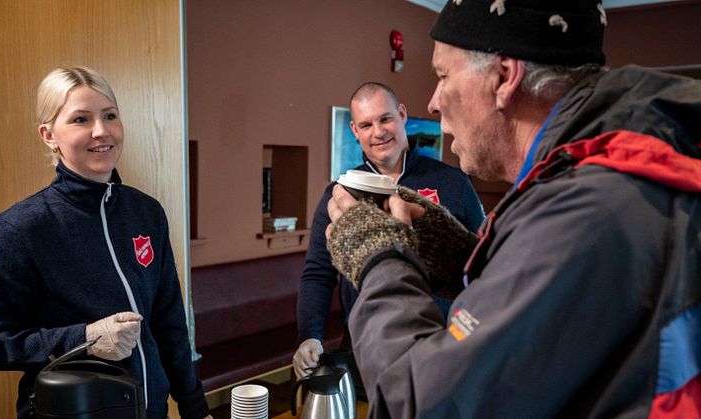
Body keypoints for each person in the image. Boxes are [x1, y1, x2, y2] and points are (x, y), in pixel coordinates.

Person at [324, 1, 701, 418]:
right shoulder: (616, 167)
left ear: (503, 77)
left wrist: (380, 259)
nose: (432, 103)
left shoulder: (585, 208)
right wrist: (454, 255)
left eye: (443, 75)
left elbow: (422, 404)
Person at [0, 67, 210, 419]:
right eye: (80, 119)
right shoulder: (21, 228)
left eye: (110, 115)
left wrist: (195, 407)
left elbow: (168, 322)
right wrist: (85, 338)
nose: (101, 131)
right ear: (49, 135)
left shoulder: (147, 213)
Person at [293, 82, 484, 380]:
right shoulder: (340, 193)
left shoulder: (455, 182)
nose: (378, 132)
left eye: (385, 119)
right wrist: (309, 335)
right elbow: (317, 273)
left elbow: (482, 262)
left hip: (443, 348)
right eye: (366, 124)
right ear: (355, 131)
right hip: (364, 348)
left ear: (402, 115)